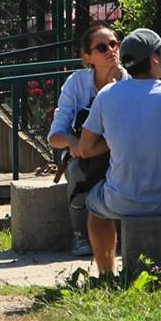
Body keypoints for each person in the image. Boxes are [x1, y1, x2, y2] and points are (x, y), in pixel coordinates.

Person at [75, 29, 161, 277]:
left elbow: (84, 148)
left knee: (94, 207)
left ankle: (106, 274)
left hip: (121, 200)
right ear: (154, 59)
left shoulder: (106, 95)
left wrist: (115, 140)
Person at [47, 20, 122, 256]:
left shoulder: (129, 81)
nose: (111, 51)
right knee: (77, 166)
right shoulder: (76, 83)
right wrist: (73, 142)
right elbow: (55, 134)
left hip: (119, 149)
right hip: (84, 152)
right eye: (102, 48)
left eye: (114, 44)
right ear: (88, 57)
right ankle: (81, 235)